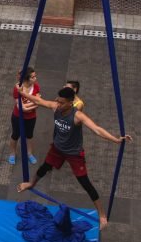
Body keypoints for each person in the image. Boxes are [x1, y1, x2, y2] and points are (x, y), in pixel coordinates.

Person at [16, 86, 133, 229]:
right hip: (58, 148)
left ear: (71, 103)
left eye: (62, 103)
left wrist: (116, 140)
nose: (58, 105)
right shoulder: (55, 107)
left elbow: (97, 129)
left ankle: (102, 214)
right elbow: (39, 101)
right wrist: (22, 92)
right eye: (57, 101)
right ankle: (31, 183)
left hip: (74, 153)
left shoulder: (77, 116)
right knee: (44, 167)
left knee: (85, 182)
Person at [8, 67, 41, 165]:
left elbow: (38, 103)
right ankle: (12, 154)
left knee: (29, 135)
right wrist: (33, 104)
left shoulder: (36, 87)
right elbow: (21, 107)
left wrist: (28, 106)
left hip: (31, 117)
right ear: (27, 78)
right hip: (18, 117)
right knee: (15, 135)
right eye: (33, 77)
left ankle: (29, 153)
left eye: (35, 76)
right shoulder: (18, 88)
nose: (35, 78)